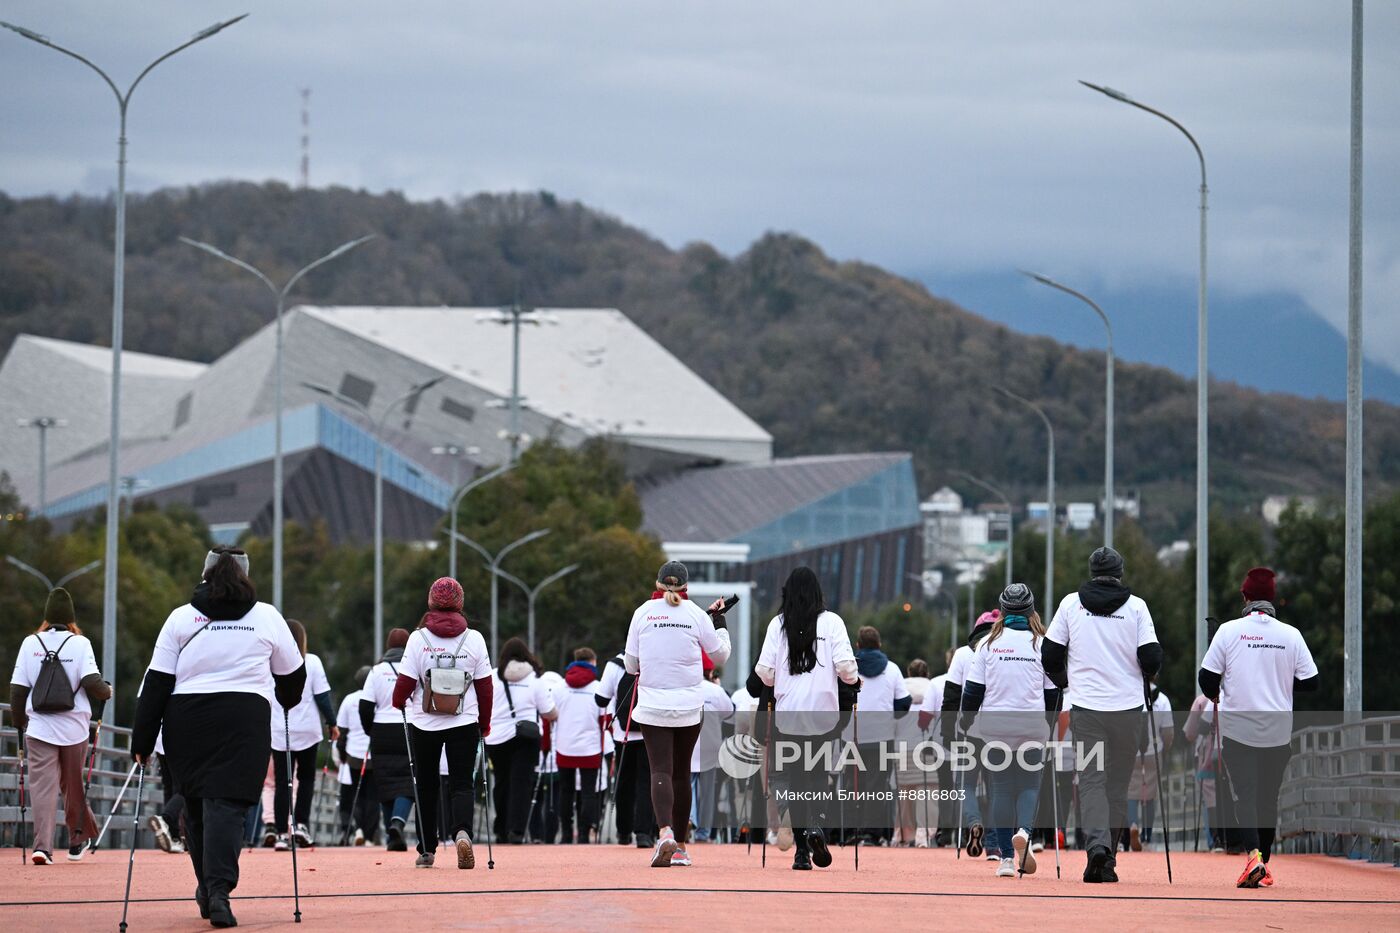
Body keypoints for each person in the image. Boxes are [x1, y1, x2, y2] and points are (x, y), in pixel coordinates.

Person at [132, 547, 305, 928]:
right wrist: (286, 698)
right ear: (246, 575)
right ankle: (219, 890)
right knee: (228, 806)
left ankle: (207, 886)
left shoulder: (180, 617)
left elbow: (156, 682)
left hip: (187, 720)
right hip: (244, 718)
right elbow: (293, 677)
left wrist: (141, 741)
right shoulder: (267, 616)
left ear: (205, 573)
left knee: (195, 806)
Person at [1042, 546, 1162, 884]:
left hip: (1086, 709)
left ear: (1092, 572)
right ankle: (1108, 859)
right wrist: (1141, 670)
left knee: (1091, 780)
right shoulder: (1136, 607)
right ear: (1120, 573)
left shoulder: (1070, 604)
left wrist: (1064, 681)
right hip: (1127, 710)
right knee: (1118, 785)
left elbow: (1049, 654)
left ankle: (1097, 847)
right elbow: (1152, 658)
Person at [1199, 567, 1318, 889]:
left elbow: (1206, 678)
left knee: (1245, 796)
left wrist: (1220, 690)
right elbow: (1311, 681)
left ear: (1245, 597)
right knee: (1268, 799)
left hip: (1239, 731)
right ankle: (1264, 861)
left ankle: (1253, 857)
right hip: (1278, 732)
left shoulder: (1228, 631)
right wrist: (1281, 681)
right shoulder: (1291, 635)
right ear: (1273, 599)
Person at [625, 561, 732, 868]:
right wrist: (719, 622)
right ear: (686, 587)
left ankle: (665, 832)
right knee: (682, 773)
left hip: (652, 704)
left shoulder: (642, 612)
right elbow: (720, 655)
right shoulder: (696, 614)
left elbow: (631, 664)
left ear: (658, 584)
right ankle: (682, 848)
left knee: (659, 770)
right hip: (688, 705)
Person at [755, 565, 856, 871]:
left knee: (797, 780)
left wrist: (784, 681)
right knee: (820, 775)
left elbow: (764, 672)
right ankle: (817, 825)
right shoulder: (832, 622)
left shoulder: (778, 625)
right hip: (824, 715)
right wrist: (853, 681)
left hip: (788, 716)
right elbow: (846, 668)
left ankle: (801, 852)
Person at [390, 577, 493, 869]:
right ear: (460, 603)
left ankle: (427, 849)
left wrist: (398, 701)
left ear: (430, 602)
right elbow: (485, 687)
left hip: (425, 722)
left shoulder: (418, 638)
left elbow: (405, 683)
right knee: (462, 783)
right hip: (464, 720)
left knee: (425, 784)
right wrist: (484, 723)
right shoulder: (474, 639)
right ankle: (462, 833)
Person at [961, 584, 1060, 878]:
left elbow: (973, 691)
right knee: (1029, 786)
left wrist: (965, 721)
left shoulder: (987, 644)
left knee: (1001, 789)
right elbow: (1054, 694)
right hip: (1032, 727)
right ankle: (1024, 833)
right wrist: (1049, 723)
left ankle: (1005, 858)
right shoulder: (1042, 644)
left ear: (1003, 611)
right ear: (1031, 610)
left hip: (995, 730)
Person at [9, 586, 111, 865]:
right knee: (73, 784)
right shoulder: (80, 643)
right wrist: (107, 692)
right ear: (70, 618)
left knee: (42, 789)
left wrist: (20, 724)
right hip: (74, 728)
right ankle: (77, 840)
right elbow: (92, 682)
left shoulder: (30, 643)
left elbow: (17, 690)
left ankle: (42, 848)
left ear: (46, 617)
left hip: (40, 728)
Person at [268, 619, 336, 850]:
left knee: (281, 782)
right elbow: (322, 696)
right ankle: (301, 826)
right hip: (307, 730)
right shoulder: (312, 661)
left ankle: (280, 833)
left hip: (279, 730)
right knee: (306, 779)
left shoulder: (270, 662)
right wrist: (332, 723)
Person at [938, 610, 1000, 859]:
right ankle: (994, 846)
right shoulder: (1002, 652)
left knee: (965, 785)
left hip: (968, 730)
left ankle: (973, 821)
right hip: (998, 732)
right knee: (997, 789)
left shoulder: (963, 654)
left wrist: (947, 733)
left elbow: (951, 696)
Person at [487, 637, 557, 844]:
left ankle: (500, 829)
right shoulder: (535, 678)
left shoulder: (493, 676)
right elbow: (548, 712)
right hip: (526, 737)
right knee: (522, 784)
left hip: (497, 738)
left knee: (501, 783)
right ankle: (516, 830)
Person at [848, 625, 910, 844]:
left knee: (853, 785)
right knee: (877, 786)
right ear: (879, 644)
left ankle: (850, 830)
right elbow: (904, 703)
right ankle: (871, 833)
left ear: (858, 645)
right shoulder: (892, 669)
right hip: (882, 736)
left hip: (852, 735)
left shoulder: (849, 669)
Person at [360, 629, 415, 852]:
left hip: (381, 731)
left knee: (384, 782)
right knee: (408, 781)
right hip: (409, 728)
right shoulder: (414, 668)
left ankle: (392, 837)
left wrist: (370, 731)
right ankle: (397, 823)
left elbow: (365, 706)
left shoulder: (376, 671)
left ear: (388, 646)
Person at [597, 648, 655, 848]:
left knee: (624, 781)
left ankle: (623, 831)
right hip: (651, 731)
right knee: (647, 782)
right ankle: (644, 833)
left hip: (624, 733)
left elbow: (600, 699)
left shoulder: (615, 664)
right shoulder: (655, 658)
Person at [552, 647, 604, 844]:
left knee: (566, 791)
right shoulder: (598, 687)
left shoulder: (559, 687)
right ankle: (584, 834)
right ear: (592, 662)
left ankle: (566, 833)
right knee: (589, 792)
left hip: (564, 745)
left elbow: (550, 717)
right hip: (590, 747)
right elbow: (604, 720)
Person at [1123, 674, 1173, 851]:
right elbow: (1168, 732)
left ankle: (1133, 824)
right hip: (1154, 750)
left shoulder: (1130, 694)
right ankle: (1146, 836)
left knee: (1131, 791)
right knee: (1150, 793)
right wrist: (1165, 749)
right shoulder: (1163, 700)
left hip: (1132, 750)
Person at [689, 655, 735, 842]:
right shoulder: (715, 691)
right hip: (710, 745)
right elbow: (729, 711)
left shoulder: (685, 688)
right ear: (709, 672)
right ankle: (703, 832)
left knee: (686, 785)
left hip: (687, 744)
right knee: (707, 792)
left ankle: (688, 818)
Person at [337, 665, 378, 845]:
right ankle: (369, 836)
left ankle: (359, 829)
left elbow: (341, 731)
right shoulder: (378, 698)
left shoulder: (349, 700)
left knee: (356, 795)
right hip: (373, 756)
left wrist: (342, 754)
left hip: (353, 756)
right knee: (372, 797)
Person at [894, 659, 932, 847]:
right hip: (926, 746)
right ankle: (923, 836)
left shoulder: (900, 689)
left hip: (902, 747)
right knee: (928, 794)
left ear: (909, 672)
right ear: (927, 673)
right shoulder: (933, 688)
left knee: (904, 796)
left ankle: (901, 835)